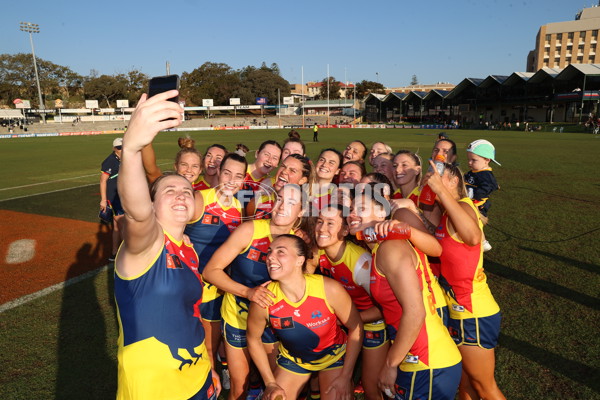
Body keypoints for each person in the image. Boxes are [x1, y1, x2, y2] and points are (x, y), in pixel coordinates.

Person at [114, 89, 219, 399]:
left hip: (197, 375)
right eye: (169, 190)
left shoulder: (188, 248)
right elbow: (136, 213)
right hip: (153, 387)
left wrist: (210, 365)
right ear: (152, 202)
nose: (181, 194)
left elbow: (192, 312)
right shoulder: (145, 245)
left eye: (186, 190)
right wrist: (132, 149)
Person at [347, 192, 462, 400]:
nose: (352, 214)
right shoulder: (379, 250)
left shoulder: (390, 248)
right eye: (351, 209)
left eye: (361, 208)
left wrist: (390, 364)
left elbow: (415, 312)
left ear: (382, 212)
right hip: (415, 358)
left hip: (429, 362)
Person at [203, 184, 309, 400]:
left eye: (291, 202)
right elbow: (211, 271)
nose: (281, 206)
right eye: (279, 198)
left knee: (279, 389)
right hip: (238, 317)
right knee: (238, 389)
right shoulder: (250, 229)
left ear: (301, 212)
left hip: (276, 323)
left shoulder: (300, 244)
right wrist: (247, 292)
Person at [421, 162, 505, 400]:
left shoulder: (462, 207)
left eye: (437, 177)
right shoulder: (449, 212)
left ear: (454, 180)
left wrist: (440, 191)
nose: (430, 180)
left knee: (484, 387)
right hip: (460, 310)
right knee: (465, 384)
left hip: (473, 311)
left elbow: (472, 236)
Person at [246, 234, 363, 400]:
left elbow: (356, 327)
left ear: (300, 261)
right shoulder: (264, 299)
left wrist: (346, 376)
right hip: (294, 360)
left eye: (281, 252)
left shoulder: (329, 289)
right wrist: (270, 382)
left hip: (334, 357)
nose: (270, 257)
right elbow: (253, 339)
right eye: (270, 252)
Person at [316, 204, 389, 400]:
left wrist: (348, 321)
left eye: (330, 223)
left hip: (374, 323)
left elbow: (387, 307)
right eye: (320, 221)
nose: (322, 228)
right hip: (347, 323)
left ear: (345, 230)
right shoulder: (319, 253)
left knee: (372, 388)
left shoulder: (360, 263)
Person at [464, 139, 500, 252]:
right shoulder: (474, 171)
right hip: (469, 202)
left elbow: (489, 186)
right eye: (469, 159)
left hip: (478, 205)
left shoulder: (485, 174)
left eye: (473, 160)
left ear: (486, 160)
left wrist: (473, 196)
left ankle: (483, 242)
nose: (469, 163)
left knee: (475, 223)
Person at [100, 137, 124, 262]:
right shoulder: (109, 161)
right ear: (114, 149)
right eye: (119, 148)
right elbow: (103, 181)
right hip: (113, 197)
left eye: (123, 147)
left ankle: (114, 253)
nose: (121, 149)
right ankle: (128, 250)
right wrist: (103, 200)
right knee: (122, 223)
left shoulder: (125, 158)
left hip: (122, 195)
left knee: (116, 226)